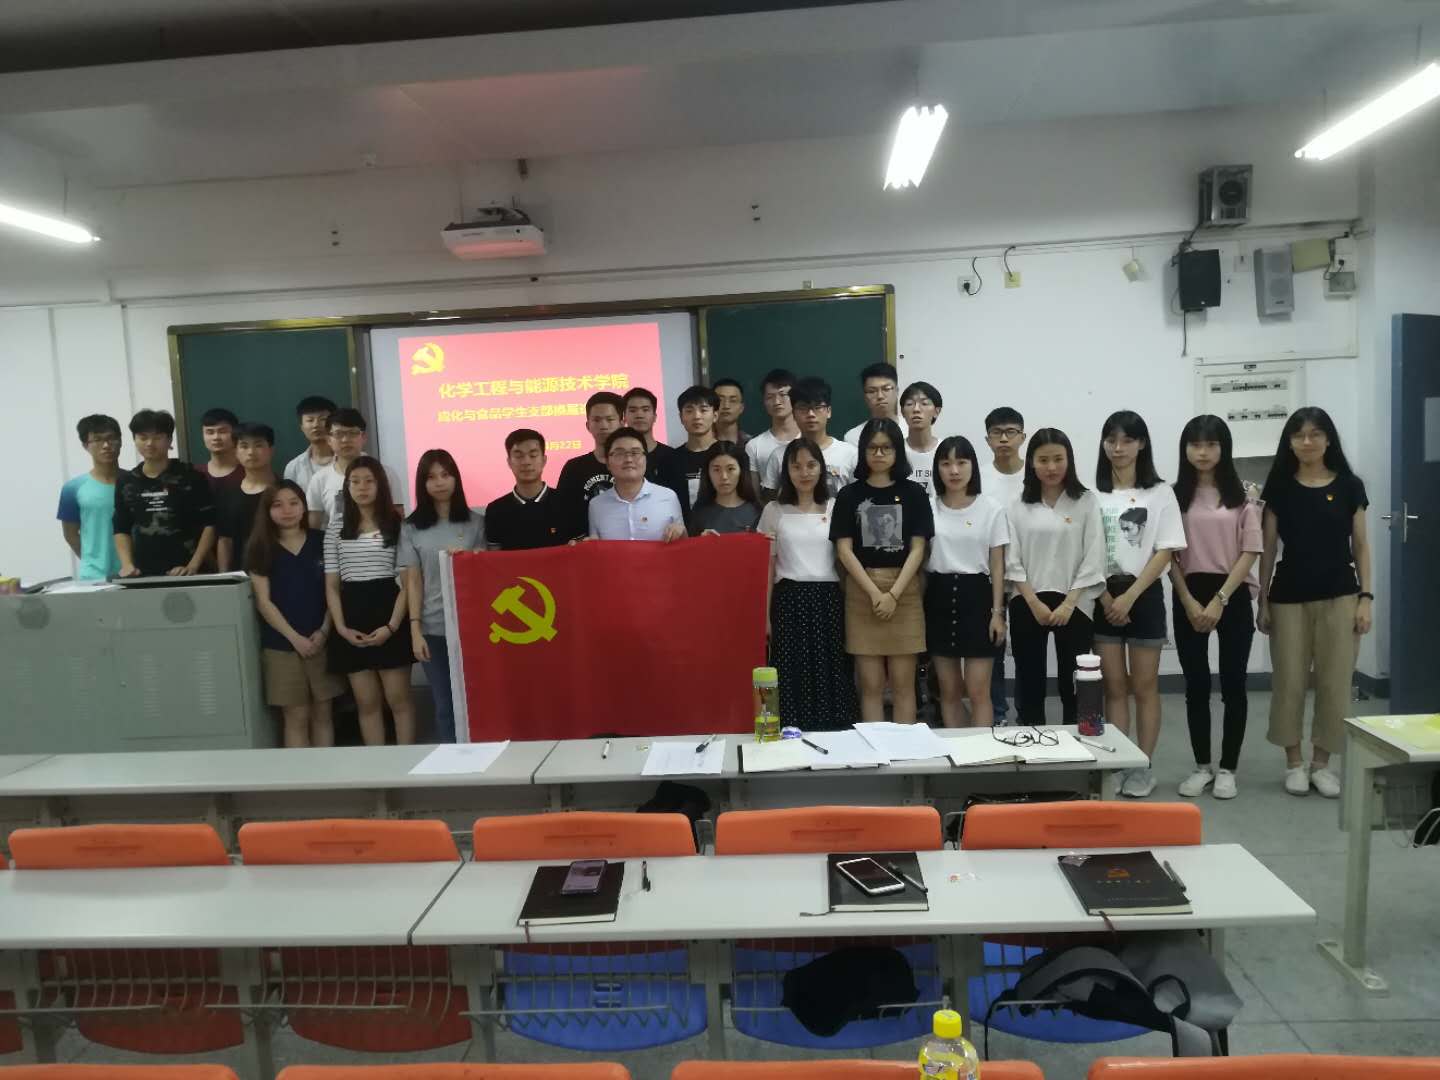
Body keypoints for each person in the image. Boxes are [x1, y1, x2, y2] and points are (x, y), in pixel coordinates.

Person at [1258, 406, 1372, 799]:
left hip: (1341, 595)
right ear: (1289, 442)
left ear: (1328, 439)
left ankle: (1321, 764)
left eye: (1315, 434)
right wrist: (1262, 600)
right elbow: (1268, 548)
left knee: (1335, 683)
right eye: (1299, 435)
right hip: (1288, 597)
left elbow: (1361, 545)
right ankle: (1294, 762)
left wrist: (1366, 598)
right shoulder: (1279, 487)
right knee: (1288, 682)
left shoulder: (1350, 486)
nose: (1307, 442)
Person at [1092, 411, 1187, 798]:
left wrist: (1130, 596)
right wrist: (1106, 596)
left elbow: (1166, 550)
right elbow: (1086, 551)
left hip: (1143, 593)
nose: (1118, 448)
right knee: (1113, 687)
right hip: (1102, 595)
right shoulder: (1092, 494)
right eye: (1111, 440)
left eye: (1127, 440)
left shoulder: (1160, 492)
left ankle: (1143, 766)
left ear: (1142, 444)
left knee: (1145, 686)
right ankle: (1117, 763)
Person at [1169, 415, 1261, 801]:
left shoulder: (1243, 496)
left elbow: (1250, 551)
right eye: (1195, 444)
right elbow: (1168, 555)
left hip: (1231, 593)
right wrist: (1189, 600)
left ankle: (1228, 769)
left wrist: (1221, 599)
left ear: (1224, 448)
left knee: (1234, 684)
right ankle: (1202, 766)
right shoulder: (1173, 497)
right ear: (1185, 449)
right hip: (1188, 593)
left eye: (1210, 444)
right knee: (1196, 685)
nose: (1202, 452)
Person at [830, 418, 934, 724]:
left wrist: (893, 594)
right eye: (872, 448)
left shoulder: (914, 493)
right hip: (863, 592)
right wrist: (876, 593)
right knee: (870, 686)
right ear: (863, 451)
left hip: (905, 591)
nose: (879, 454)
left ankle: (905, 748)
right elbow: (844, 550)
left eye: (886, 448)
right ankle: (875, 747)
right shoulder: (849, 495)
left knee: (903, 686)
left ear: (897, 451)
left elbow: (918, 549)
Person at [1004, 428, 1105, 725]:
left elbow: (1094, 555)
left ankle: (1078, 740)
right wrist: (1033, 602)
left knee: (1073, 683)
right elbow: (1012, 558)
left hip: (1075, 603)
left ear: (1069, 460)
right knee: (1030, 681)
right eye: (1043, 460)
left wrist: (1069, 603)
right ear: (1031, 463)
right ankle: (1033, 740)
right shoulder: (1017, 504)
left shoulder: (1086, 501)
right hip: (1027, 600)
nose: (1051, 467)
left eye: (1058, 459)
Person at [759, 438, 859, 730]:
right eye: (796, 466)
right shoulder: (774, 511)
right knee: (790, 669)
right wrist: (764, 616)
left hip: (828, 600)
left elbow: (844, 560)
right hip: (789, 600)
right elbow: (767, 567)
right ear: (786, 471)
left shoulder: (836, 507)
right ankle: (791, 733)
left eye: (811, 465)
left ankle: (833, 732)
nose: (804, 472)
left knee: (831, 667)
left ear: (821, 468)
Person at [324, 456, 415, 746]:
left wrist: (392, 626)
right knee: (366, 703)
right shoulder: (336, 527)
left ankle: (407, 760)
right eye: (355, 482)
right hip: (351, 617)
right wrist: (341, 628)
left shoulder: (397, 524)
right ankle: (378, 764)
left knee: (398, 700)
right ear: (347, 487)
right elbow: (332, 585)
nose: (362, 487)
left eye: (369, 481)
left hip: (389, 612)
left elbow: (408, 584)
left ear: (380, 485)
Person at [245, 481, 343, 748]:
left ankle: (325, 771)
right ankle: (301, 774)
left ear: (304, 506)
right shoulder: (260, 547)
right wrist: (294, 638)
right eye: (277, 505)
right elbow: (263, 602)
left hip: (322, 641)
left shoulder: (322, 541)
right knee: (296, 717)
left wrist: (324, 632)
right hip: (281, 646)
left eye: (293, 503)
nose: (287, 510)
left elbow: (335, 591)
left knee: (323, 713)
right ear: (267, 511)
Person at [399, 449, 485, 743]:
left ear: (455, 479)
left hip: (471, 628)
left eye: (445, 475)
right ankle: (452, 762)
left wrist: (470, 558)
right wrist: (415, 630)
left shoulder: (476, 523)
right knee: (445, 706)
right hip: (433, 628)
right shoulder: (411, 528)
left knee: (476, 701)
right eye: (431, 477)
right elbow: (413, 581)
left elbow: (488, 572)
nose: (439, 482)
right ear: (422, 484)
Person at [926, 436, 1008, 728]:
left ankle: (982, 751)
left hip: (978, 599)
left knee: (978, 691)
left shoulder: (992, 509)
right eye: (946, 463)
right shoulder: (928, 507)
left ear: (973, 466)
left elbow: (997, 565)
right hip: (937, 597)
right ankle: (958, 750)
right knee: (948, 691)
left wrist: (997, 613)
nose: (954, 470)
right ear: (937, 469)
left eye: (961, 462)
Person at [113, 409, 216, 577]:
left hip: (188, 572)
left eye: (157, 437)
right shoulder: (126, 481)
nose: (149, 443)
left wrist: (193, 565)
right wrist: (127, 564)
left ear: (169, 440)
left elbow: (210, 524)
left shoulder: (191, 477)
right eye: (143, 437)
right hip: (143, 573)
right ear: (134, 440)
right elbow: (121, 526)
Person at [980, 406, 1027, 721]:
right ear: (987, 439)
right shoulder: (980, 477)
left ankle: (1027, 712)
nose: (1004, 439)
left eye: (1011, 432)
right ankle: (997, 712)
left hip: (1027, 577)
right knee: (992, 649)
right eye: (997, 433)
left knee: (1025, 650)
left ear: (1023, 436)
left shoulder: (1036, 474)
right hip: (990, 575)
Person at [760, 376, 857, 497]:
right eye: (803, 408)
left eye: (818, 407)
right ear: (793, 414)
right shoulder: (780, 455)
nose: (811, 414)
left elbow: (858, 498)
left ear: (829, 411)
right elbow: (769, 499)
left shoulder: (850, 454)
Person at [306, 408, 400, 531]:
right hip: (336, 542)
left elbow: (398, 517)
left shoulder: (386, 473)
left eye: (352, 433)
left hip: (380, 541)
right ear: (329, 440)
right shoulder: (319, 479)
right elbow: (314, 527)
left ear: (363, 437)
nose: (345, 440)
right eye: (339, 434)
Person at [588, 428, 686, 542]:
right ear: (608, 463)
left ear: (646, 459)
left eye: (635, 453)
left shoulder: (668, 497)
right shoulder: (596, 505)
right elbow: (595, 547)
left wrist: (681, 532)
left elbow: (683, 544)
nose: (628, 459)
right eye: (620, 453)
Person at [484, 428, 574, 550]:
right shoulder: (496, 511)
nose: (526, 462)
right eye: (518, 456)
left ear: (544, 460)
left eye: (533, 455)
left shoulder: (567, 503)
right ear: (509, 462)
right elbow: (494, 557)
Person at [57, 414, 122, 580]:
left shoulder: (135, 483)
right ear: (86, 445)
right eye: (97, 440)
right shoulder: (72, 488)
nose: (106, 445)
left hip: (134, 574)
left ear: (120, 441)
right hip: (94, 578)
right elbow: (70, 534)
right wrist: (93, 562)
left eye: (111, 438)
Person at [558, 391, 624, 533]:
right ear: (588, 425)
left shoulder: (634, 465)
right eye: (597, 420)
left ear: (622, 423)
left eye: (610, 419)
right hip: (585, 543)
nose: (603, 425)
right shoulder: (573, 468)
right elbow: (562, 513)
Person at [216, 422, 277, 572]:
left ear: (271, 450)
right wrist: (224, 577)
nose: (251, 452)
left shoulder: (285, 491)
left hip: (280, 573)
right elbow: (225, 540)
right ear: (235, 452)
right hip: (240, 575)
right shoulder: (228, 494)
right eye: (244, 446)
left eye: (258, 445)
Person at [663, 385, 720, 513]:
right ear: (681, 417)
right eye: (689, 411)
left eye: (703, 410)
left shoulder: (728, 454)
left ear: (715, 415)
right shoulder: (670, 460)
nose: (696, 416)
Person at [744, 369, 800, 494]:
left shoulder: (810, 440)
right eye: (770, 397)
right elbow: (755, 495)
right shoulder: (754, 446)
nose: (777, 402)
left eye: (783, 395)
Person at [690, 441, 761, 535]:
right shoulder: (700, 511)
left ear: (741, 471)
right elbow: (691, 542)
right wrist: (702, 540)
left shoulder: (756, 511)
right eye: (716, 470)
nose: (724, 477)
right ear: (708, 473)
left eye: (730, 469)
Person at [282, 395, 336, 490]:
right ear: (302, 427)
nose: (316, 425)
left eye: (322, 419)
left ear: (334, 423)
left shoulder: (352, 460)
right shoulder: (293, 468)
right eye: (310, 420)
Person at [623, 387, 675, 484]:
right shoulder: (619, 457)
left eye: (645, 410)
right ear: (624, 417)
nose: (639, 415)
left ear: (654, 417)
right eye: (633, 410)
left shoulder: (672, 456)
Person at [900, 381, 943, 494]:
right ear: (902, 412)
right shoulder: (895, 451)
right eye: (910, 404)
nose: (916, 409)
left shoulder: (945, 450)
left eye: (924, 403)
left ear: (936, 411)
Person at [842, 362, 899, 445]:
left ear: (897, 391)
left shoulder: (912, 430)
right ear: (865, 397)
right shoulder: (853, 437)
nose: (880, 396)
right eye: (872, 391)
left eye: (886, 389)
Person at [197, 407, 244, 493]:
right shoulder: (196, 474)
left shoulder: (251, 473)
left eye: (222, 431)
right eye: (210, 432)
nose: (216, 437)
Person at [713, 377, 749, 451]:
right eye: (720, 400)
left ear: (741, 408)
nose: (726, 406)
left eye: (733, 400)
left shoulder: (752, 445)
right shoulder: (702, 445)